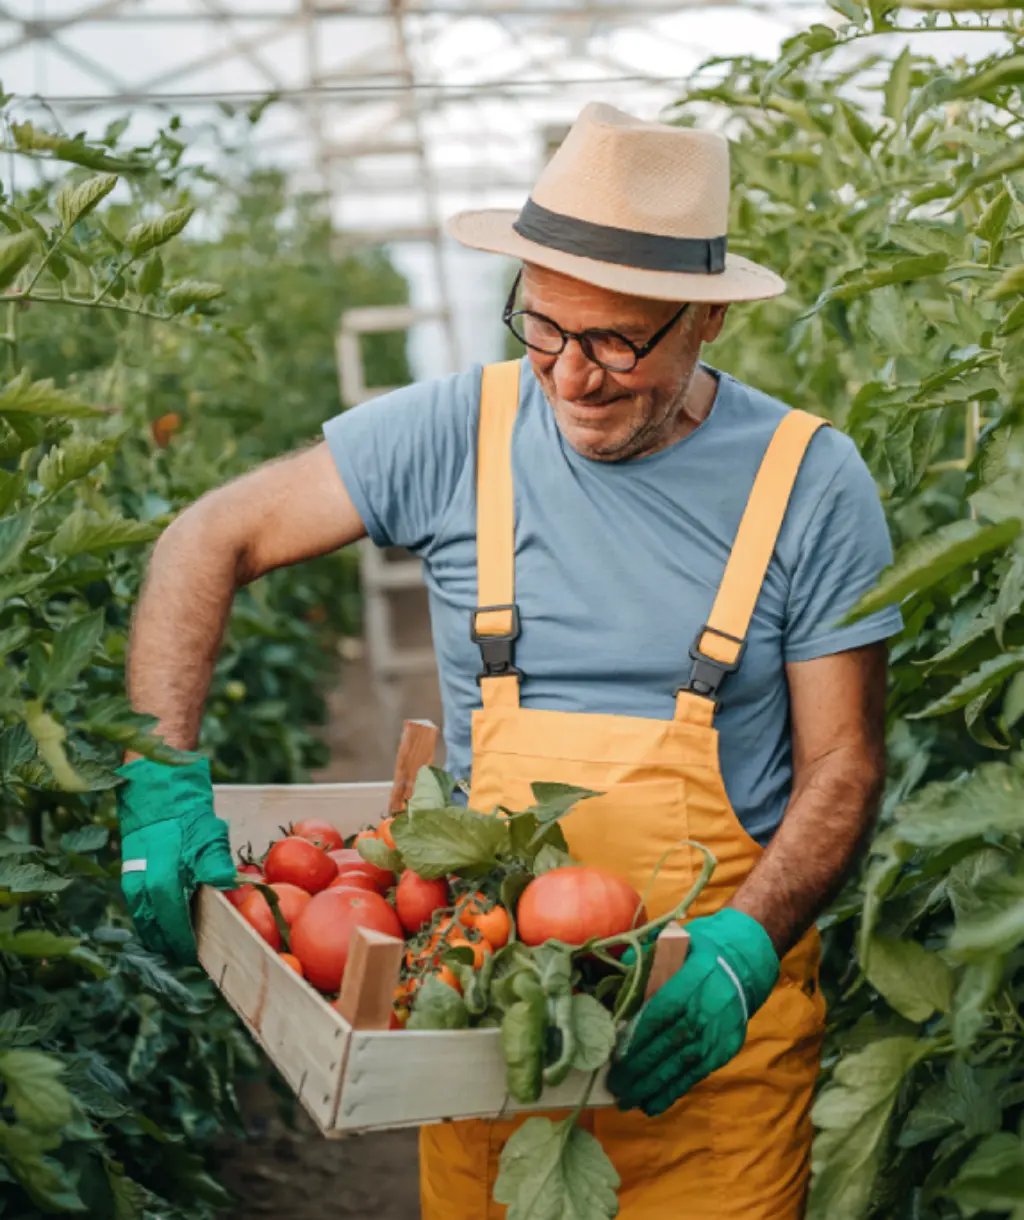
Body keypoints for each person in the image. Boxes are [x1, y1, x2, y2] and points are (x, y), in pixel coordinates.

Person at [115, 102, 901, 1218]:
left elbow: (844, 764)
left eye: (619, 341)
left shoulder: (811, 483)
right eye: (543, 328)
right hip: (484, 1027)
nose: (571, 377)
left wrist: (744, 946)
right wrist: (159, 767)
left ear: (705, 322)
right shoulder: (455, 432)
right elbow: (206, 537)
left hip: (709, 1056)